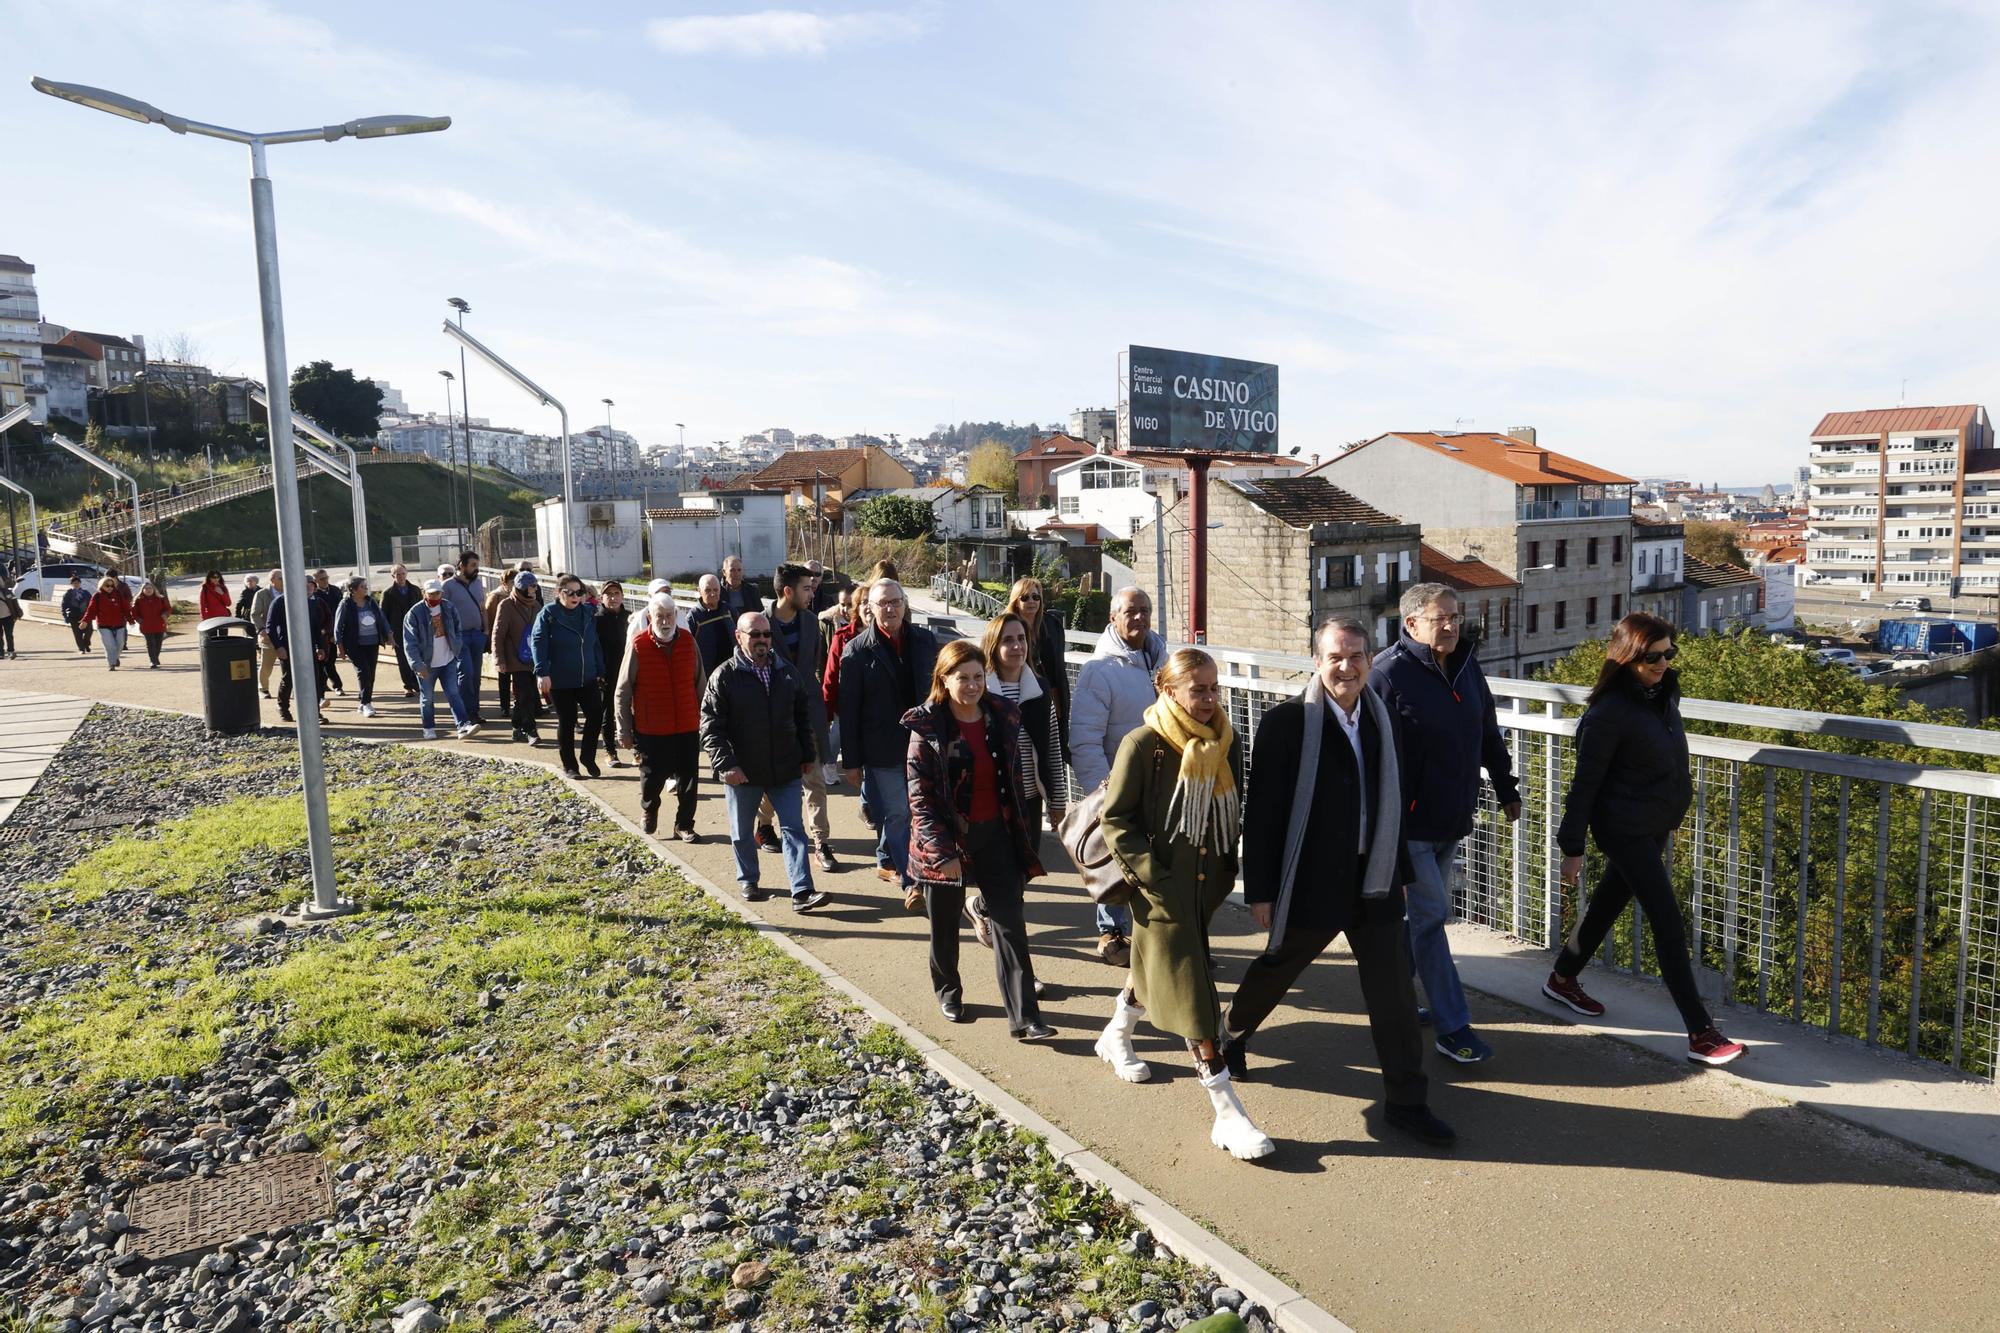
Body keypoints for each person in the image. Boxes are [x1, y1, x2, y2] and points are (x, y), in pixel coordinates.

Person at [1221, 619, 1454, 1147]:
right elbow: (1263, 815)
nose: (1346, 667)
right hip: (1310, 881)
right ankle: (1230, 1035)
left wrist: (1398, 874)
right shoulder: (1288, 723)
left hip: (1373, 882)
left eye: (1355, 656)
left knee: (1394, 994)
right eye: (1334, 657)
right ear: (1316, 662)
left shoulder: (1384, 718)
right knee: (1278, 967)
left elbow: (1393, 805)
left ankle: (1407, 1104)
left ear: (1370, 660)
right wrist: (1260, 890)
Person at [1095, 647, 1273, 1162]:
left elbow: (1236, 805)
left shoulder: (1225, 741)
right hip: (1159, 892)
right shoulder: (1143, 743)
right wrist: (1156, 880)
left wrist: (1226, 868)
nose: (1210, 699)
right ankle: (1227, 1112)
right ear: (1167, 689)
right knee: (1193, 988)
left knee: (1156, 967)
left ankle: (1116, 1034)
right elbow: (1117, 821)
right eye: (1198, 689)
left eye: (1214, 688)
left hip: (1208, 884)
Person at [1552, 614, 1746, 1067]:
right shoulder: (1608, 714)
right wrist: (1573, 848)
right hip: (1624, 829)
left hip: (1654, 823)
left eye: (1668, 653)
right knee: (1667, 919)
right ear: (1627, 657)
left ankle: (1562, 979)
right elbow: (1585, 785)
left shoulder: (1663, 696)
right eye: (1651, 656)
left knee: (1607, 904)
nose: (1662, 663)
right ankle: (1700, 1033)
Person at [1370, 582, 1523, 1066]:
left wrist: (1505, 786)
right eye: (1442, 619)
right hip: (1409, 826)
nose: (1453, 626)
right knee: (1434, 918)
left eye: (1456, 617)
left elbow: (1486, 732)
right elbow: (1370, 756)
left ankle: (1388, 996)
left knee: (1419, 919)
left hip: (1453, 817)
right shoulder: (1387, 675)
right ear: (1412, 624)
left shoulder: (1465, 665)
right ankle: (1453, 1026)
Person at [904, 639, 1054, 1040]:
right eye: (962, 678)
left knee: (1010, 924)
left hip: (996, 835)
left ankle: (1026, 1018)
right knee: (945, 924)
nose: (972, 685)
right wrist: (942, 852)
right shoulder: (927, 727)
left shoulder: (1000, 716)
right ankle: (948, 990)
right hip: (947, 842)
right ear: (944, 680)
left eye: (977, 677)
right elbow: (921, 800)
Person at [699, 611, 828, 911]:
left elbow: (802, 716)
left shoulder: (786, 671)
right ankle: (748, 878)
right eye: (754, 634)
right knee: (742, 831)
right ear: (739, 637)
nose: (761, 640)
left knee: (794, 830)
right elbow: (710, 726)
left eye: (766, 634)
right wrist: (726, 764)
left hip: (785, 767)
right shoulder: (724, 676)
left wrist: (807, 755)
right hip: (743, 772)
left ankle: (802, 891)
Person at [1068, 586, 1165, 968]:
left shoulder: (1161, 659)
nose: (1139, 618)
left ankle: (1157, 938)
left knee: (1151, 863)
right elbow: (1085, 738)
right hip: (1118, 785)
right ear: (1114, 617)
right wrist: (1102, 792)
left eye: (1145, 610)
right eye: (1130, 611)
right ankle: (1111, 934)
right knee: (1117, 862)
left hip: (1160, 783)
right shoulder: (1099, 671)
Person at [839, 579, 940, 904]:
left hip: (923, 744)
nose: (891, 608)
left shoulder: (925, 641)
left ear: (905, 604)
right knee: (899, 813)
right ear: (870, 608)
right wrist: (852, 762)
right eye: (883, 603)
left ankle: (885, 855)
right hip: (882, 749)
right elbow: (849, 711)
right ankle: (912, 883)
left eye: (896, 602)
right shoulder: (856, 651)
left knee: (918, 811)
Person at [763, 563, 839, 871]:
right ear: (787, 591)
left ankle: (821, 843)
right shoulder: (760, 624)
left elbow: (816, 668)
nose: (813, 592)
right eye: (807, 588)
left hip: (808, 713)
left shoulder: (811, 622)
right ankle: (764, 823)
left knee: (814, 779)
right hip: (773, 715)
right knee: (776, 780)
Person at [618, 592, 704, 839]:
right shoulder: (638, 644)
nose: (665, 621)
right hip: (652, 728)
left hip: (687, 724)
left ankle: (684, 824)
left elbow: (701, 683)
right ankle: (650, 809)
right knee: (652, 778)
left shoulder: (688, 641)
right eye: (659, 616)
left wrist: (708, 721)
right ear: (649, 617)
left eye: (669, 616)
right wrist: (623, 730)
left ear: (676, 616)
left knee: (689, 779)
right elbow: (622, 691)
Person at [531, 573, 606, 779]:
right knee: (568, 720)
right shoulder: (549, 613)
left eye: (579, 592)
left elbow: (595, 643)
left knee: (596, 714)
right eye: (569, 592)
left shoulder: (588, 612)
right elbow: (538, 642)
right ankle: (570, 765)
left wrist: (600, 670)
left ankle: (587, 757)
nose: (575, 596)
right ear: (559, 593)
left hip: (587, 677)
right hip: (559, 679)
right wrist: (542, 673)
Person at [1004, 577, 1072, 775]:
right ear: (1015, 600)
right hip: (1021, 699)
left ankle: (1053, 802)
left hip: (1052, 699)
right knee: (1027, 761)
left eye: (1036, 597)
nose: (1032, 601)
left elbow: (1059, 666)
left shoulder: (1051, 625)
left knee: (1053, 762)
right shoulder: (1006, 627)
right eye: (1025, 597)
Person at [400, 578, 478, 740]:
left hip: (448, 660)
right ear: (424, 594)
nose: (435, 597)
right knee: (427, 698)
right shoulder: (414, 613)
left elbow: (457, 629)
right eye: (432, 594)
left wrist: (456, 648)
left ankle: (463, 725)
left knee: (453, 693)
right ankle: (428, 727)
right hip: (426, 665)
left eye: (438, 593)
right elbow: (410, 643)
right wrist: (417, 664)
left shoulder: (448, 607)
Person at [266, 576, 329, 723]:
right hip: (287, 647)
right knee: (289, 678)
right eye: (305, 586)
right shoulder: (280, 601)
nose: (308, 589)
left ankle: (315, 713)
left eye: (311, 586)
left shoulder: (312, 603)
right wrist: (278, 647)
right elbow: (270, 626)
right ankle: (283, 708)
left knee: (313, 679)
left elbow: (316, 626)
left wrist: (320, 647)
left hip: (308, 646)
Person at [490, 571, 542, 744]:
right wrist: (499, 660)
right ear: (520, 588)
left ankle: (516, 726)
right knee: (526, 693)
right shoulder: (506, 605)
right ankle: (530, 730)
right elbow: (498, 634)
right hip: (515, 658)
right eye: (530, 586)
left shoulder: (536, 606)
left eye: (535, 586)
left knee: (525, 696)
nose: (534, 590)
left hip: (533, 658)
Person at [441, 552, 488, 723]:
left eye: (477, 565)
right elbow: (442, 613)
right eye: (473, 565)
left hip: (477, 634)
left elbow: (483, 608)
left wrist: (486, 631)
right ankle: (464, 712)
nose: (476, 569)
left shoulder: (477, 584)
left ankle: (474, 711)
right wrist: (449, 636)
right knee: (465, 673)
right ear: (462, 566)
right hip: (459, 637)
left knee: (475, 675)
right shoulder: (447, 586)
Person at [331, 577, 387, 716]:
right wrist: (340, 646)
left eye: (365, 586)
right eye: (362, 586)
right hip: (354, 645)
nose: (366, 589)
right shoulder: (346, 604)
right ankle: (366, 703)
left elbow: (382, 618)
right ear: (353, 590)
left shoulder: (371, 602)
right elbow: (338, 627)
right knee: (364, 673)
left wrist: (389, 635)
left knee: (371, 675)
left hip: (372, 643)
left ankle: (363, 702)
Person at [594, 580, 632, 770]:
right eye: (609, 594)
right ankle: (610, 750)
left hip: (629, 672)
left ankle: (638, 750)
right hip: (607, 674)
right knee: (608, 713)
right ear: (602, 597)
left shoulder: (630, 618)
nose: (613, 597)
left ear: (622, 596)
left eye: (617, 593)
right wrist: (598, 671)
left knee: (635, 711)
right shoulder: (597, 619)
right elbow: (593, 648)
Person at [380, 564, 422, 699]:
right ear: (393, 576)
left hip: (415, 630)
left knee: (417, 656)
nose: (401, 577)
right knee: (403, 660)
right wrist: (387, 634)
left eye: (403, 573)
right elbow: (383, 615)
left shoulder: (415, 590)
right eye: (398, 574)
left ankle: (418, 683)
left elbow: (422, 609)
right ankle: (408, 686)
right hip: (397, 631)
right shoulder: (388, 593)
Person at [484, 570, 520, 720]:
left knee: (520, 677)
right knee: (504, 676)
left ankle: (519, 704)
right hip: (502, 643)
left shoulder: (522, 597)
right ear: (505, 583)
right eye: (512, 582)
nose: (514, 585)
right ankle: (504, 706)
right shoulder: (496, 596)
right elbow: (490, 619)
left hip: (518, 643)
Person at [81, 570, 134, 671]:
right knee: (109, 645)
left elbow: (125, 608)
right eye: (107, 585)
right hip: (104, 625)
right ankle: (111, 663)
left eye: (112, 586)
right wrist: (85, 620)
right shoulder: (97, 596)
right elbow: (91, 610)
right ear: (102, 586)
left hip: (119, 624)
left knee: (120, 644)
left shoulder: (118, 594)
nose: (110, 588)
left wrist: (130, 620)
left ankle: (115, 657)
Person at [687, 575, 735, 672]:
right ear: (699, 591)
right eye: (708, 590)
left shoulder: (729, 610)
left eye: (715, 590)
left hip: (732, 669)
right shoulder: (694, 617)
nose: (712, 594)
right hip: (708, 673)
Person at [310, 569, 346, 697]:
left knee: (330, 661)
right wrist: (327, 633)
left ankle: (328, 684)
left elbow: (341, 610)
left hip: (336, 630)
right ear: (315, 582)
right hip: (322, 634)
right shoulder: (315, 595)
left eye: (326, 578)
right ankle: (335, 685)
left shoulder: (335, 590)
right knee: (325, 662)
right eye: (321, 579)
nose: (325, 581)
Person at [250, 570, 280, 694]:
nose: (284, 580)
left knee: (290, 664)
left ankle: (291, 689)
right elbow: (255, 614)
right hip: (269, 635)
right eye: (281, 578)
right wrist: (262, 630)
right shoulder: (262, 594)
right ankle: (263, 688)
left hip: (286, 634)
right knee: (267, 665)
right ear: (272, 581)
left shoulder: (289, 591)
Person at [133, 580, 170, 668]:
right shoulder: (139, 600)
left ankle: (155, 658)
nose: (148, 590)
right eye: (146, 589)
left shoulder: (160, 599)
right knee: (150, 643)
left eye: (150, 588)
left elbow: (168, 608)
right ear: (142, 590)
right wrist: (139, 620)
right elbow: (134, 612)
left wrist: (165, 614)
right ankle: (152, 661)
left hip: (159, 625)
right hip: (146, 626)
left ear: (154, 589)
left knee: (158, 644)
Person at [60, 576, 93, 655]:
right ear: (71, 584)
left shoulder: (86, 593)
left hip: (85, 615)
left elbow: (91, 603)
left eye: (78, 583)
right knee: (77, 633)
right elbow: (63, 605)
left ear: (80, 583)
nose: (76, 584)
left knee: (89, 631)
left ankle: (86, 644)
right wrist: (65, 615)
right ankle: (81, 648)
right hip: (74, 615)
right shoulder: (68, 594)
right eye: (74, 583)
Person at [718, 554, 755, 620]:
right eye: (732, 570)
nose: (736, 574)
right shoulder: (718, 591)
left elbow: (760, 612)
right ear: (724, 572)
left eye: (739, 570)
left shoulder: (752, 590)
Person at [0, 570, 21, 660]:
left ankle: (11, 651)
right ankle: (1, 652)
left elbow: (14, 602)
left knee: (9, 634)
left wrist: (17, 613)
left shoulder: (7, 592)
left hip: (8, 617)